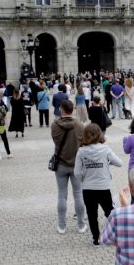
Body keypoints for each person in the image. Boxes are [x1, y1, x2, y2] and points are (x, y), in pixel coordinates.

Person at [74, 124, 123, 246]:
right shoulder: (105, 149)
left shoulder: (81, 151)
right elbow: (119, 163)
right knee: (110, 212)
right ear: (99, 134)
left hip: (88, 188)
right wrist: (106, 162)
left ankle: (96, 239)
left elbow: (77, 173)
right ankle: (116, 235)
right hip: (103, 187)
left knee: (92, 214)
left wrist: (84, 179)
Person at [51, 100, 87, 234]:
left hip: (60, 164)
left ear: (61, 109)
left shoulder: (54, 125)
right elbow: (84, 143)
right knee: (78, 195)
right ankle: (81, 225)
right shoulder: (80, 125)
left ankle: (62, 226)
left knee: (61, 195)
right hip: (76, 164)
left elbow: (55, 141)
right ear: (72, 110)